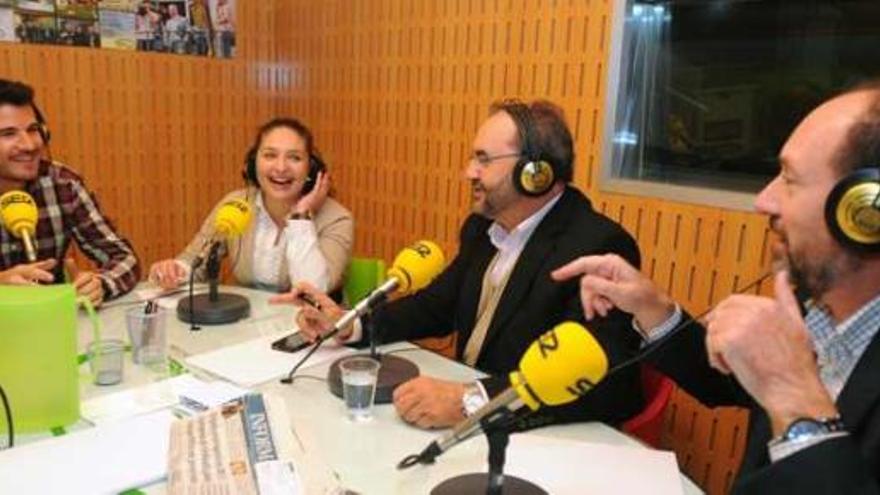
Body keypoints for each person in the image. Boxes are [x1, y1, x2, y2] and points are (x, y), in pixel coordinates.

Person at [552, 82, 880, 492]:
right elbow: (725, 381)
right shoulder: (813, 304)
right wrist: (654, 308)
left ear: (866, 210)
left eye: (790, 180)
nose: (763, 200)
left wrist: (795, 399)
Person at [278, 99, 643, 431]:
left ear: (536, 173)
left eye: (483, 160)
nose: (469, 171)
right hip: (470, 428)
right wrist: (350, 323)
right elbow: (437, 306)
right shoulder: (483, 228)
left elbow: (603, 385)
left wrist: (470, 400)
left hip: (545, 438)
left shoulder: (598, 248)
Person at [149, 117, 353, 295]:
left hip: (309, 328)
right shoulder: (236, 204)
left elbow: (314, 290)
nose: (281, 167)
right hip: (248, 327)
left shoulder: (336, 218)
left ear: (312, 168)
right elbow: (195, 260)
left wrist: (301, 216)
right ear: (254, 163)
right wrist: (174, 270)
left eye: (294, 158)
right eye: (270, 155)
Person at [0, 79, 140, 305]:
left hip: (51, 324)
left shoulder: (62, 184)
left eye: (33, 130)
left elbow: (124, 258)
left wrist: (100, 284)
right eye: (8, 134)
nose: (28, 145)